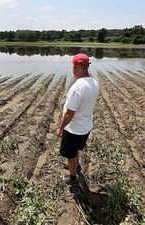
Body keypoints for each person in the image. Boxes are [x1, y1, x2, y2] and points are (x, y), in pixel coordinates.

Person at [56, 53, 100, 185]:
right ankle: (76, 165)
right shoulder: (94, 82)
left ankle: (73, 177)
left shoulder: (77, 87)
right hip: (85, 126)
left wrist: (60, 128)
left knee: (70, 154)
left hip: (74, 128)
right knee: (76, 150)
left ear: (75, 67)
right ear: (87, 67)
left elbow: (69, 113)